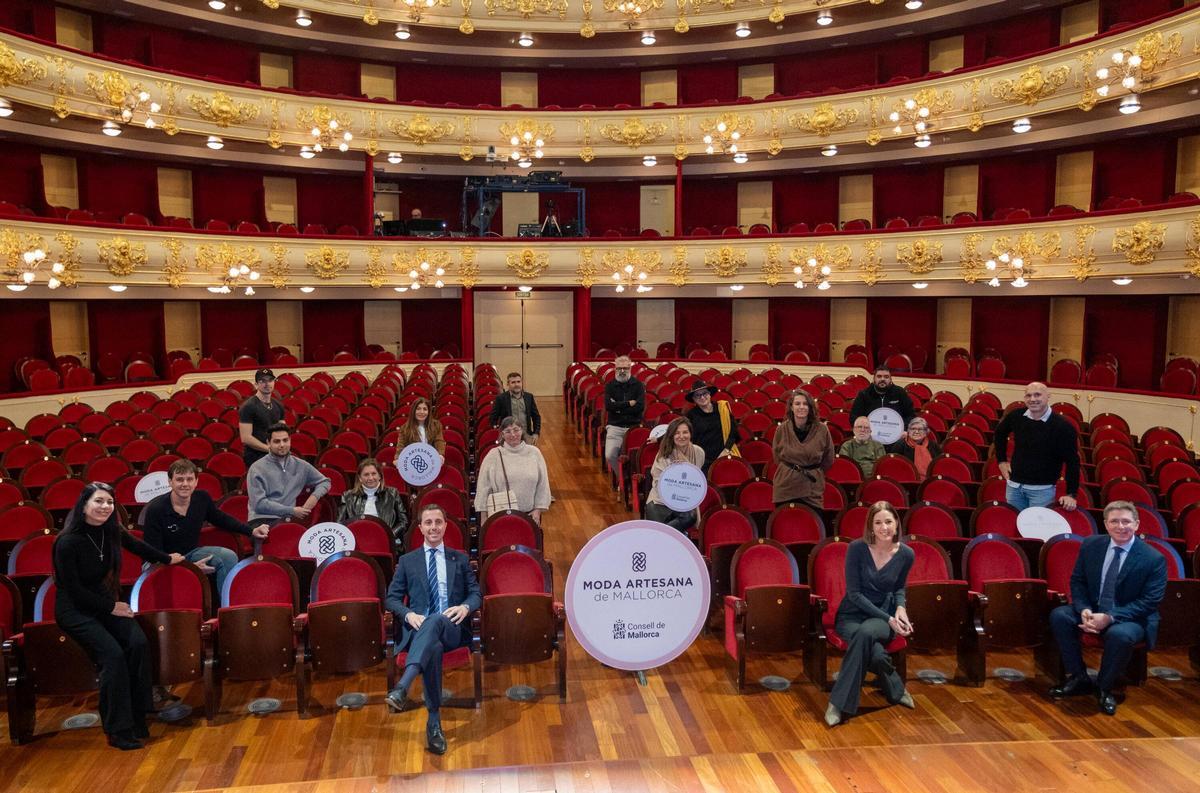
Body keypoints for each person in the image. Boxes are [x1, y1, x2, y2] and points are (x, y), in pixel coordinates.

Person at [51, 482, 185, 750]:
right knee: (113, 655)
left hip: (104, 604)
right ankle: (117, 729)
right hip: (76, 610)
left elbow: (139, 547)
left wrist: (169, 559)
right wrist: (111, 607)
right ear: (84, 506)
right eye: (99, 501)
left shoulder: (112, 531)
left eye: (110, 503)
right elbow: (72, 590)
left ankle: (138, 716)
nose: (105, 507)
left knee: (137, 643)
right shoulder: (67, 542)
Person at [1049, 501, 1166, 716]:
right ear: (1105, 524)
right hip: (1093, 608)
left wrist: (1110, 617)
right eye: (1114, 521)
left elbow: (1149, 601)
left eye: (1126, 521)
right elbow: (1078, 581)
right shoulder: (1091, 545)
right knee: (1060, 616)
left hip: (1132, 616)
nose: (1121, 527)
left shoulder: (1153, 558)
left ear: (1137, 524)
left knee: (1120, 635)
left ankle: (1104, 687)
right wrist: (1084, 608)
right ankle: (1079, 678)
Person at [384, 504, 481, 755]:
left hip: (452, 628)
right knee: (433, 646)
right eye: (428, 523)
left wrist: (465, 608)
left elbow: (476, 593)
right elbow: (391, 599)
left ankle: (403, 685)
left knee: (437, 620)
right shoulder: (407, 561)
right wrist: (408, 614)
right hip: (420, 633)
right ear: (420, 528)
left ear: (446, 526)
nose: (434, 527)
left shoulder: (459, 558)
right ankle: (434, 723)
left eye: (438, 522)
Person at [825, 501, 915, 727]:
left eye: (888, 521)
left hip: (883, 616)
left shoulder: (906, 554)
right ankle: (894, 687)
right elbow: (854, 594)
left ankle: (837, 703)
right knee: (873, 652)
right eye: (878, 522)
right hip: (852, 614)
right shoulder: (856, 549)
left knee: (866, 633)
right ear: (870, 526)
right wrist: (890, 619)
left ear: (896, 524)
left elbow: (899, 588)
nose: (884, 527)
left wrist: (901, 608)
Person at [142, 459, 269, 593]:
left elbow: (221, 519)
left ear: (196, 481)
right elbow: (153, 553)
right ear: (170, 482)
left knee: (228, 557)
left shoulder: (202, 499)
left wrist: (251, 531)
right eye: (179, 479)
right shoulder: (156, 509)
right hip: (159, 560)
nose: (185, 484)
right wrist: (189, 567)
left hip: (189, 553)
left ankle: (227, 607)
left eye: (189, 479)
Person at [992, 381, 1080, 511]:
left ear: (1048, 396)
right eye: (1028, 396)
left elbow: (1072, 461)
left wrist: (1071, 494)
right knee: (1015, 527)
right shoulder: (1016, 416)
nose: (1032, 399)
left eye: (1037, 395)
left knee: (1036, 530)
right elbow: (999, 433)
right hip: (1014, 487)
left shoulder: (1063, 426)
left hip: (1042, 491)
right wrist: (1001, 461)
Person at [247, 422, 332, 527]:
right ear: (268, 443)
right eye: (277, 441)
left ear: (290, 441)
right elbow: (259, 504)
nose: (282, 445)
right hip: (262, 520)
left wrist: (314, 497)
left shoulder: (301, 465)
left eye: (285, 440)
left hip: (287, 520)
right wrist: (291, 510)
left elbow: (325, 482)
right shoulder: (257, 468)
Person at [474, 416, 551, 525]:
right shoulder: (493, 455)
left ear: (522, 430)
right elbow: (483, 487)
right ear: (502, 434)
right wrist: (484, 517)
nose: (513, 435)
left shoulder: (535, 453)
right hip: (500, 517)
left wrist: (538, 510)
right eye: (508, 431)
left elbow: (543, 484)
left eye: (516, 430)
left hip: (529, 516)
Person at [772, 389, 835, 509]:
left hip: (812, 488)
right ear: (791, 407)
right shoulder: (781, 429)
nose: (801, 407)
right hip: (786, 486)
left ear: (811, 407)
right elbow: (776, 456)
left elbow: (828, 459)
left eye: (805, 404)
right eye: (797, 403)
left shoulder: (822, 430)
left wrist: (812, 469)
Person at [645, 417, 706, 533]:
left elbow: (696, 480)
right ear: (671, 436)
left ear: (690, 434)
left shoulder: (699, 453)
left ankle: (664, 533)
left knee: (690, 516)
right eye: (677, 433)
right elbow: (659, 484)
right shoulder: (663, 454)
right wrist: (673, 472)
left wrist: (686, 469)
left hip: (684, 501)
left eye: (685, 432)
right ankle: (668, 534)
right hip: (660, 501)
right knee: (658, 535)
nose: (681, 436)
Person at [337, 457, 408, 537]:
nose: (370, 478)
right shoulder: (347, 496)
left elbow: (403, 522)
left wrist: (390, 535)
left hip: (386, 540)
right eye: (366, 475)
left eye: (374, 474)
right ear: (360, 478)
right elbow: (340, 524)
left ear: (380, 476)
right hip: (357, 541)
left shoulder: (392, 494)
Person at [603, 355, 645, 474]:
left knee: (638, 457)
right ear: (615, 369)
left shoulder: (638, 385)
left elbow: (639, 407)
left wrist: (618, 407)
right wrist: (628, 403)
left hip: (634, 427)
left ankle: (633, 479)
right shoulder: (610, 386)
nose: (622, 371)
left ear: (630, 369)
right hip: (615, 426)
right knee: (609, 455)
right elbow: (609, 407)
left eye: (625, 368)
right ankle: (622, 478)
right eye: (619, 368)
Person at [683, 380, 737, 473]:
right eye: (698, 395)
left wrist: (727, 450)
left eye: (705, 393)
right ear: (694, 399)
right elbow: (680, 431)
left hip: (723, 454)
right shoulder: (691, 415)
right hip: (702, 459)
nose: (702, 397)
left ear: (710, 394)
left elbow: (734, 432)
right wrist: (658, 439)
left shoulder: (722, 408)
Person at [238, 368, 285, 468]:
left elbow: (283, 432)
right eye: (262, 381)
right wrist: (269, 449)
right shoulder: (248, 406)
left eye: (270, 380)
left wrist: (279, 448)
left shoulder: (278, 405)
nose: (267, 384)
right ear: (256, 384)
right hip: (255, 457)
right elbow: (246, 438)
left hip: (275, 455)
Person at [848, 365, 915, 430]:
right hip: (869, 436)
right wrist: (864, 429)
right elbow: (854, 418)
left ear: (890, 379)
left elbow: (911, 416)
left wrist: (901, 429)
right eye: (879, 376)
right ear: (874, 379)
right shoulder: (864, 394)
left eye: (886, 377)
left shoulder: (900, 393)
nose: (882, 379)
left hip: (896, 435)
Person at [488, 371, 541, 445]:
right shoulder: (501, 398)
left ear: (521, 383)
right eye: (513, 382)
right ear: (508, 384)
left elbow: (536, 417)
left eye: (518, 382)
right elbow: (493, 419)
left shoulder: (529, 397)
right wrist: (502, 434)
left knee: (528, 456)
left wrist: (536, 433)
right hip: (509, 437)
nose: (516, 384)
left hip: (526, 435)